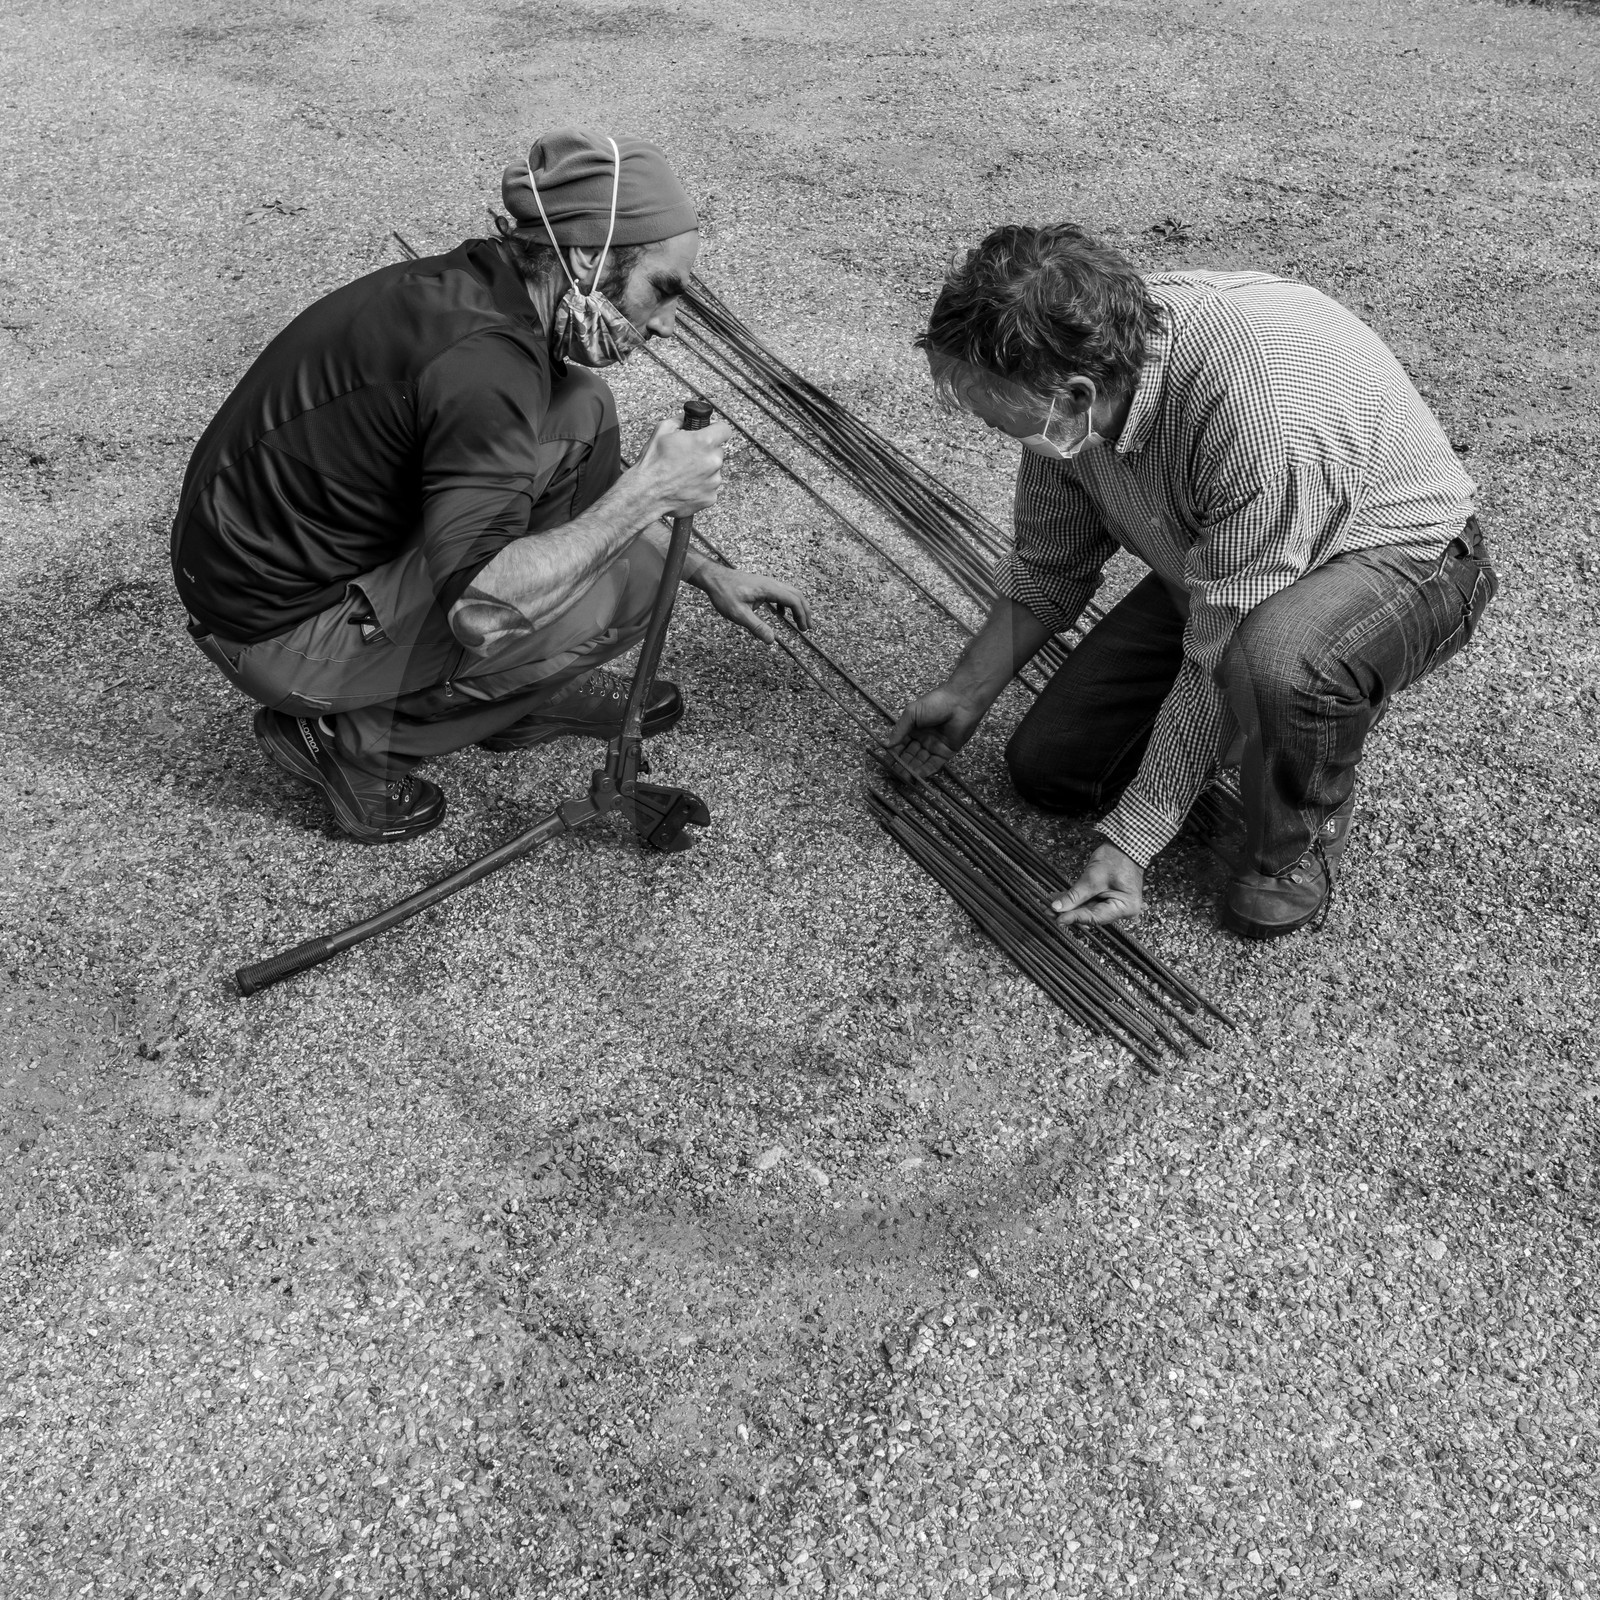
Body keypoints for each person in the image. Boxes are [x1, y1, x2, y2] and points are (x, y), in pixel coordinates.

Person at [172, 128, 806, 844]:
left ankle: (512, 700)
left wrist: (708, 572)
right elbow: (481, 612)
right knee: (628, 585)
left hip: (270, 574)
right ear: (587, 256)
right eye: (661, 290)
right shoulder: (483, 366)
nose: (666, 325)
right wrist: (651, 492)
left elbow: (582, 484)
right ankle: (355, 743)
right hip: (276, 633)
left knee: (582, 407)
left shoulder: (478, 289)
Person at [891, 224, 1496, 938]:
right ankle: (1251, 721)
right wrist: (966, 693)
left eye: (995, 415)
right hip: (1225, 558)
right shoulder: (1074, 375)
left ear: (1077, 394)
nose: (987, 425)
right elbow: (1051, 561)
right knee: (1050, 770)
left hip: (1402, 559)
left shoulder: (1262, 424)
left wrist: (1134, 836)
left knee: (1274, 664)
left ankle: (1295, 834)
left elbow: (1220, 647)